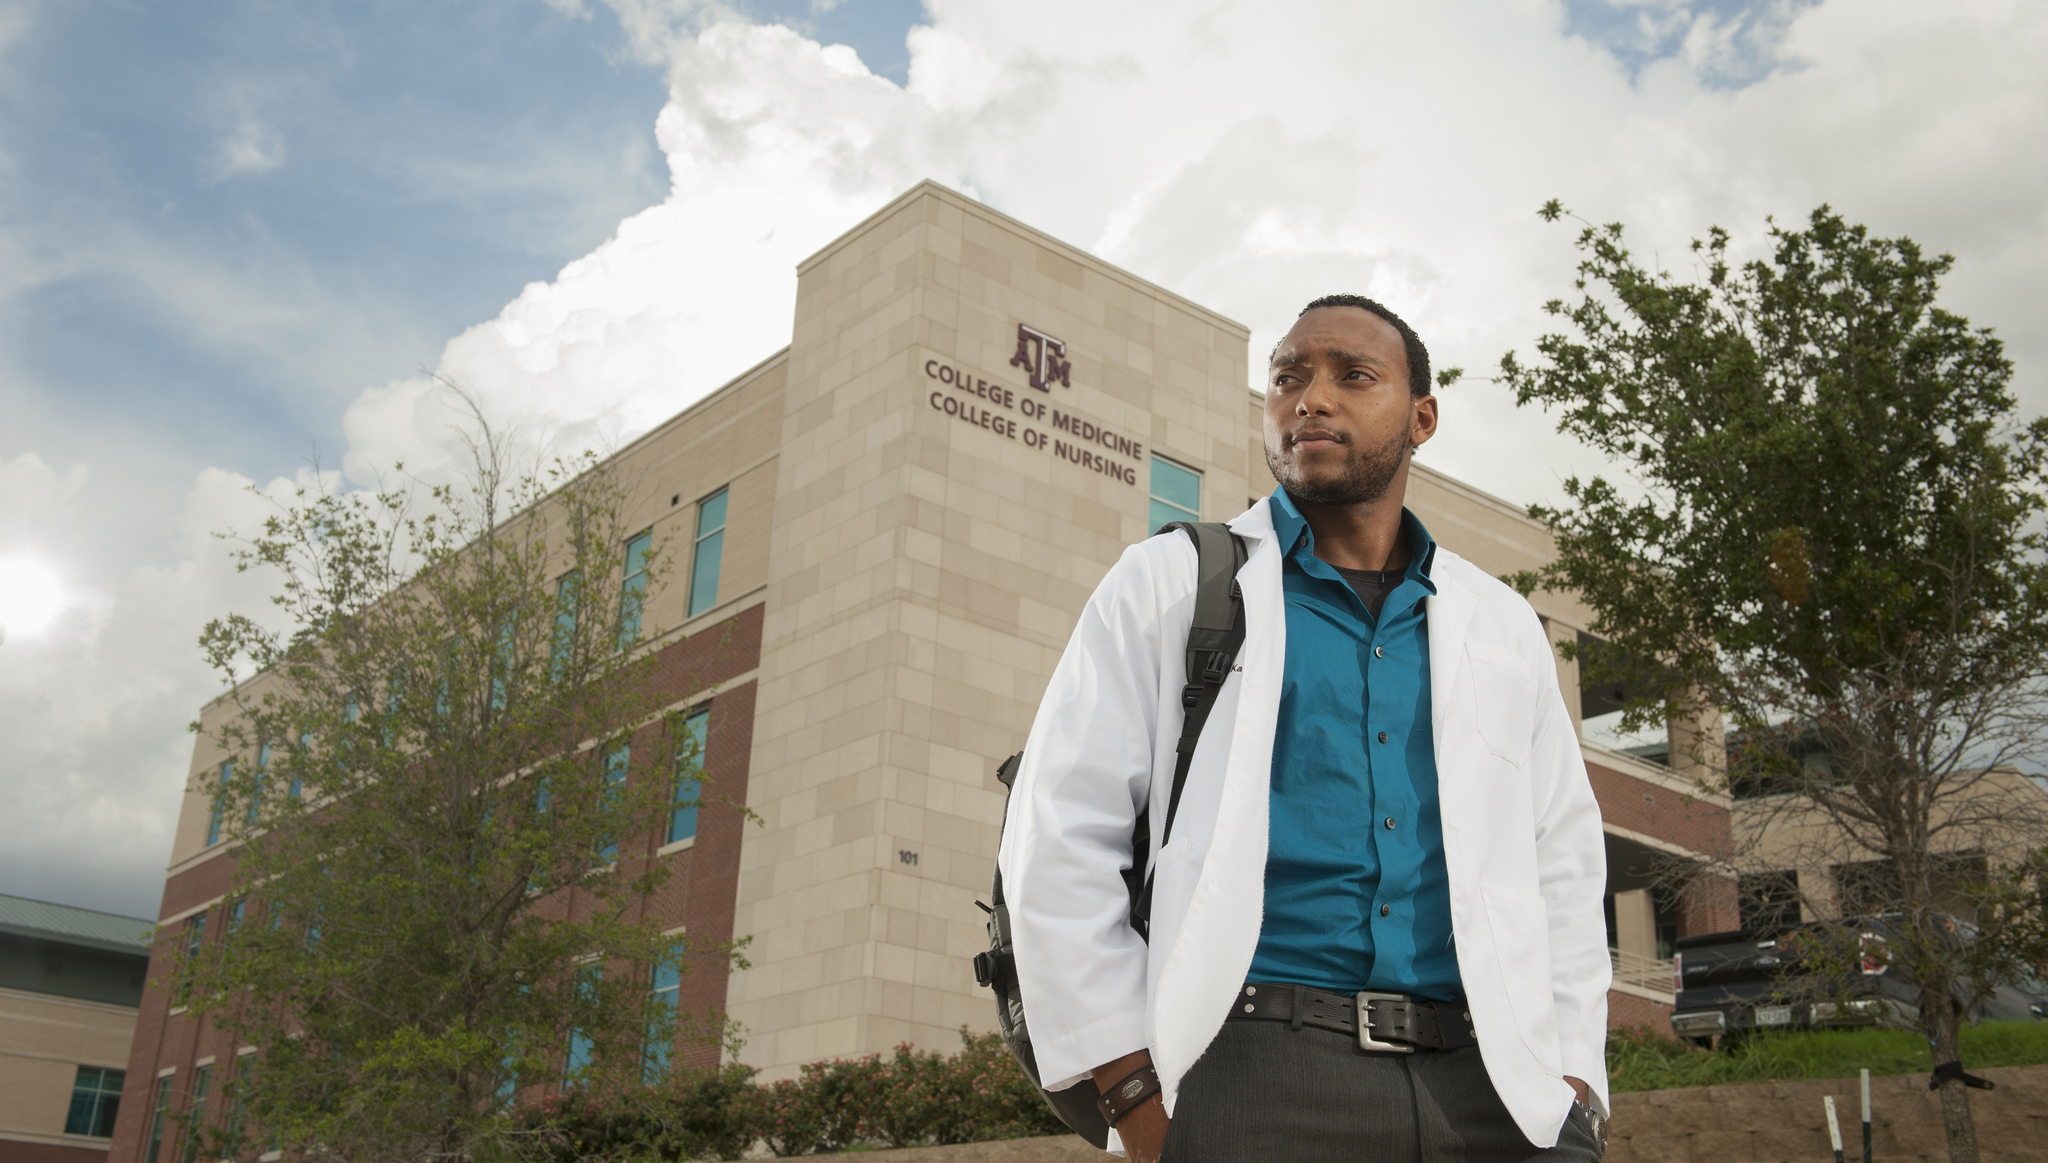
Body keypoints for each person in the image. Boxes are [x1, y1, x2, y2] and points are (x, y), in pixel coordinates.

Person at [997, 295, 1611, 1161]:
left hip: (1497, 1087)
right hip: (1254, 1072)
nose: (1310, 399)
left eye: (1353, 376)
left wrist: (1574, 1081)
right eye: (1288, 377)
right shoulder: (1175, 584)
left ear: (1422, 417)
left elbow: (1564, 861)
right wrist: (1134, 1095)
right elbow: (1058, 837)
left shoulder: (1501, 625)